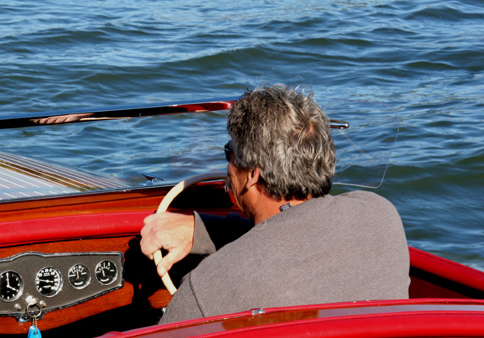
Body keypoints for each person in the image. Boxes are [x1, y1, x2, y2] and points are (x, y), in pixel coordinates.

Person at [140, 85, 410, 324]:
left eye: (229, 153)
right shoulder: (380, 215)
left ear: (253, 174)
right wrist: (201, 231)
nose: (227, 166)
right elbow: (296, 237)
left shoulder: (209, 287)